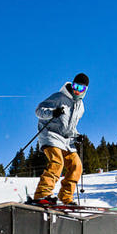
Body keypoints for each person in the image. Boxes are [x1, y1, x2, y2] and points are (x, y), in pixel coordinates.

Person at [31, 73, 89, 205]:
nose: (77, 90)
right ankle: (42, 194)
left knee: (77, 166)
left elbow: (70, 127)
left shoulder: (81, 107)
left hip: (66, 141)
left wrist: (76, 135)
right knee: (57, 162)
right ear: (72, 84)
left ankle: (65, 197)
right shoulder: (59, 97)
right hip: (50, 135)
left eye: (81, 89)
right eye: (76, 86)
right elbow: (38, 110)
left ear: (85, 90)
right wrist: (52, 113)